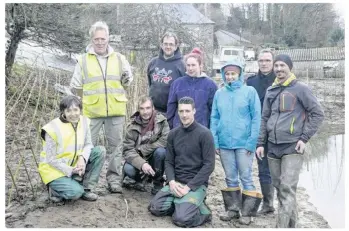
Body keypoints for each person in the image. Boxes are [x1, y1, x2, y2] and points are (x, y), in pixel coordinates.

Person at [256, 54, 324, 228]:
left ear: (290, 68)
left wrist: (304, 138)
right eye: (276, 66)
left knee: (287, 189)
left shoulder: (301, 89)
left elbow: (317, 114)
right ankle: (293, 225)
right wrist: (260, 143)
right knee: (281, 189)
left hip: (293, 146)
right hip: (272, 147)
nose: (279, 69)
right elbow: (264, 118)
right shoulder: (271, 91)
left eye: (282, 66)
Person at [70, 21, 133, 193]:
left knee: (116, 147)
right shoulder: (83, 61)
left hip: (116, 110)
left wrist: (127, 79)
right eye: (96, 39)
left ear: (108, 39)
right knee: (86, 146)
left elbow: (128, 81)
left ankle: (113, 180)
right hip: (92, 112)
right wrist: (85, 104)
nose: (100, 42)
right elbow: (75, 87)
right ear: (91, 40)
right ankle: (85, 180)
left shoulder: (119, 59)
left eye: (102, 39)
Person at [149, 97, 215, 228]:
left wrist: (188, 188)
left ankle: (203, 211)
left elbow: (209, 165)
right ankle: (183, 204)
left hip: (195, 185)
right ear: (178, 112)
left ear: (194, 111)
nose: (184, 115)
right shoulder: (173, 134)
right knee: (155, 208)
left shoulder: (205, 134)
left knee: (181, 219)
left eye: (187, 111)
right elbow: (168, 161)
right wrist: (172, 182)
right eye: (181, 111)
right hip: (176, 182)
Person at [210, 60, 262, 225]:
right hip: (225, 143)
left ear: (240, 74)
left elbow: (256, 118)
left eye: (233, 73)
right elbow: (214, 118)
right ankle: (233, 210)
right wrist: (215, 141)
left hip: (243, 144)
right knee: (230, 178)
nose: (230, 77)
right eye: (227, 74)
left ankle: (247, 213)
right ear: (224, 76)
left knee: (246, 177)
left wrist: (251, 142)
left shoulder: (249, 92)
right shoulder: (220, 93)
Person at [38, 96, 105, 202]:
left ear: (80, 110)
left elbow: (88, 144)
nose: (73, 114)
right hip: (54, 170)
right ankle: (54, 190)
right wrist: (71, 170)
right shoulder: (51, 129)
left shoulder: (84, 122)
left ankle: (87, 189)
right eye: (68, 111)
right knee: (75, 193)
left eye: (76, 110)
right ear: (63, 112)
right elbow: (50, 160)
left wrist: (82, 158)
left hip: (74, 165)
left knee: (100, 151)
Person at [246, 49, 276, 215]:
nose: (264, 63)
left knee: (279, 169)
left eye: (267, 60)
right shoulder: (251, 83)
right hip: (258, 131)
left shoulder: (279, 80)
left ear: (273, 62)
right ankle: (268, 203)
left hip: (278, 131)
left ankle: (285, 202)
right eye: (261, 60)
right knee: (263, 167)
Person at [122, 96, 170, 195]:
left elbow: (165, 140)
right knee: (128, 169)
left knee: (161, 152)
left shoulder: (162, 122)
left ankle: (157, 183)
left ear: (153, 108)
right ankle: (140, 180)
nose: (145, 112)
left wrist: (144, 149)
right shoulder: (132, 126)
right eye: (142, 108)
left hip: (154, 158)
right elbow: (127, 150)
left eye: (148, 108)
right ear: (138, 109)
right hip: (138, 158)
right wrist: (142, 164)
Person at [167, 48, 217, 129]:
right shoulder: (177, 84)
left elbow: (213, 111)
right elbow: (171, 108)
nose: (190, 68)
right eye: (188, 65)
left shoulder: (210, 85)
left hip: (201, 129)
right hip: (180, 129)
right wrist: (171, 127)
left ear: (200, 66)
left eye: (193, 65)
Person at [147, 31, 186, 115]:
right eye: (166, 44)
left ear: (176, 47)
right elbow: (150, 84)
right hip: (154, 111)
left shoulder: (182, 65)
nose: (168, 47)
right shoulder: (153, 63)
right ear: (161, 45)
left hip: (173, 112)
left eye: (171, 44)